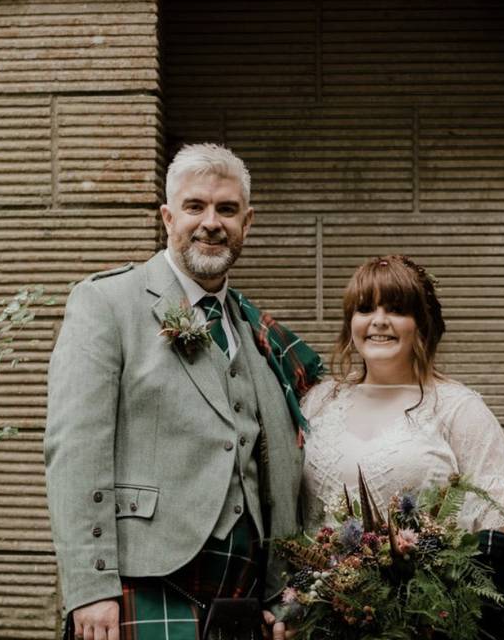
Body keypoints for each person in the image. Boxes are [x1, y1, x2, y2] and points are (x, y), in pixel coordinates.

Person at [44, 143, 322, 640]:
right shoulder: (108, 302)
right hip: (142, 580)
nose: (211, 222)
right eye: (195, 207)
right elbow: (75, 450)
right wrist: (89, 586)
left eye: (227, 209)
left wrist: (288, 591)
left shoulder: (260, 333)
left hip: (245, 593)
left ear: (248, 222)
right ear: (168, 217)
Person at [300, 254, 504, 640]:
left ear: (421, 323)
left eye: (397, 310)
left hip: (423, 625)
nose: (378, 321)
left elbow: (499, 522)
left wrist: (442, 612)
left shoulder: (458, 408)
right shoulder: (320, 402)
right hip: (321, 621)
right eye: (365, 308)